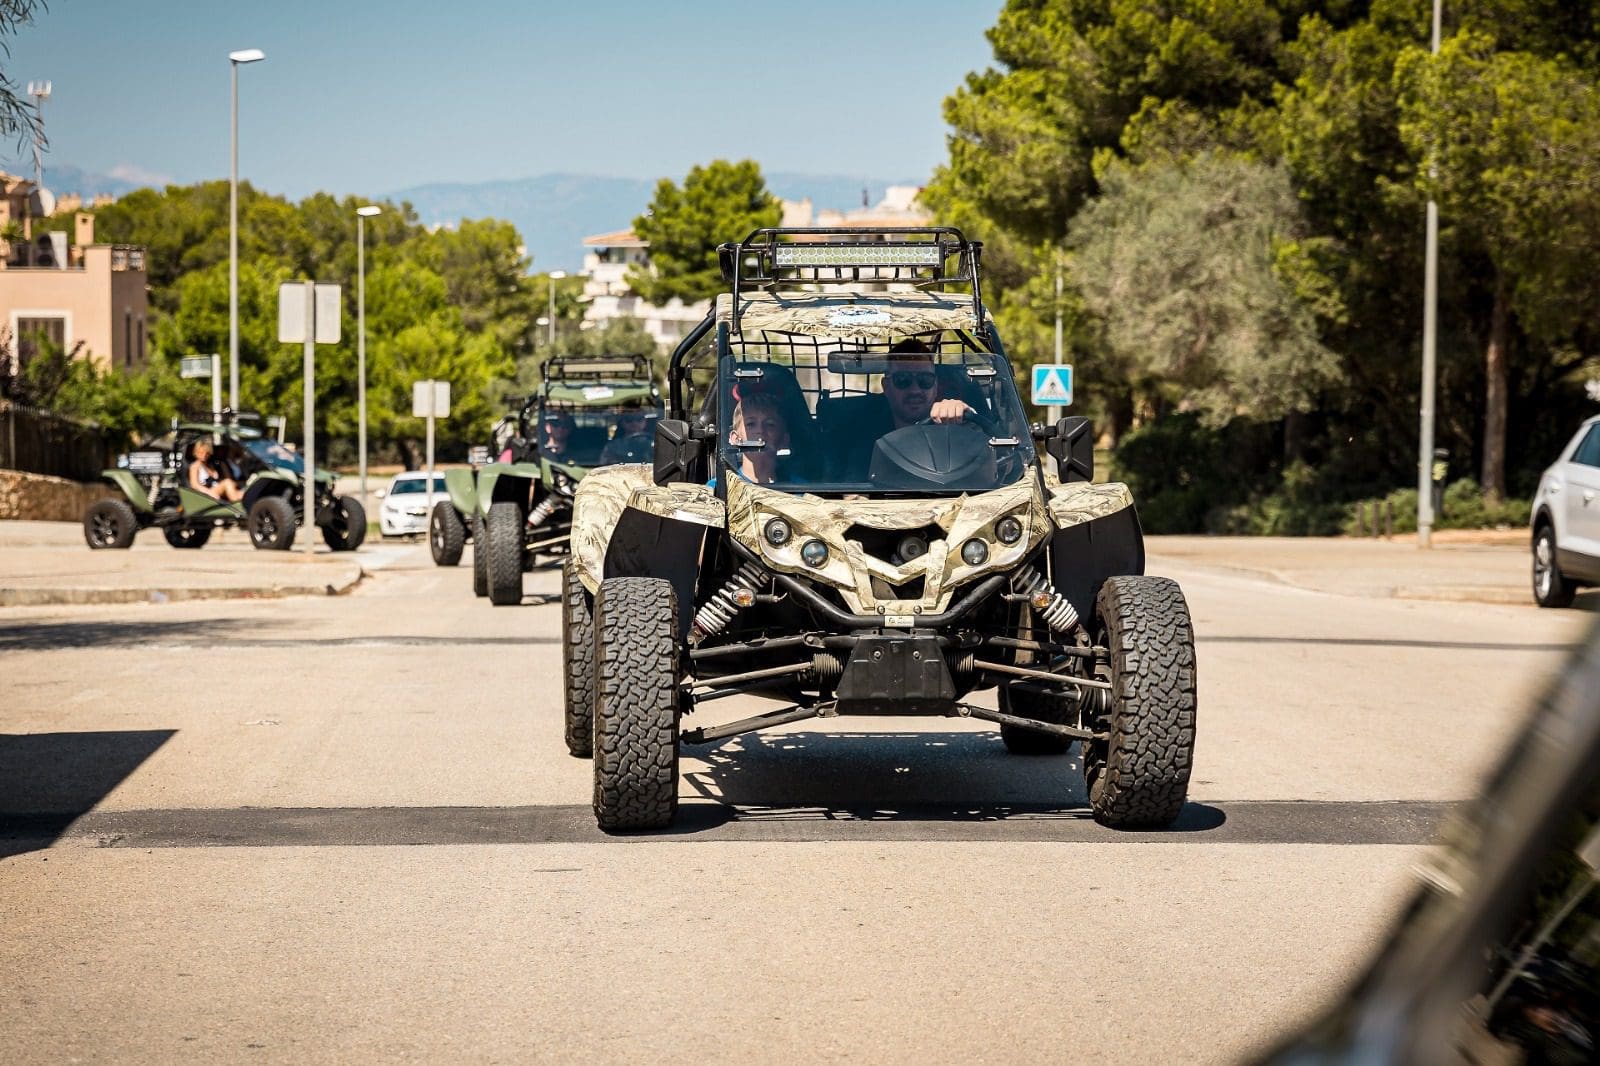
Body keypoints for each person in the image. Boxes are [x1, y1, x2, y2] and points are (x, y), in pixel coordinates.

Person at [728, 390, 792, 485]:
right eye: (751, 424)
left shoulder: (800, 490)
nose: (760, 430)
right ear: (735, 439)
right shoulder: (719, 488)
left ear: (784, 440)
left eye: (770, 424)